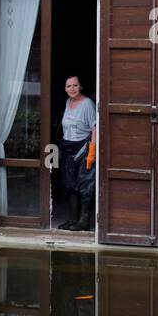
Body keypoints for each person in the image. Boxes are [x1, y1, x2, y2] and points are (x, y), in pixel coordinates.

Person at [58, 75, 96, 231]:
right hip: (68, 148)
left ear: (80, 87)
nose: (71, 89)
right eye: (68, 86)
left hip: (84, 148)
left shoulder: (87, 104)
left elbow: (95, 127)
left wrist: (92, 150)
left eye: (75, 85)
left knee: (85, 185)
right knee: (70, 185)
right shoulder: (68, 102)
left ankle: (84, 222)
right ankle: (73, 219)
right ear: (65, 89)